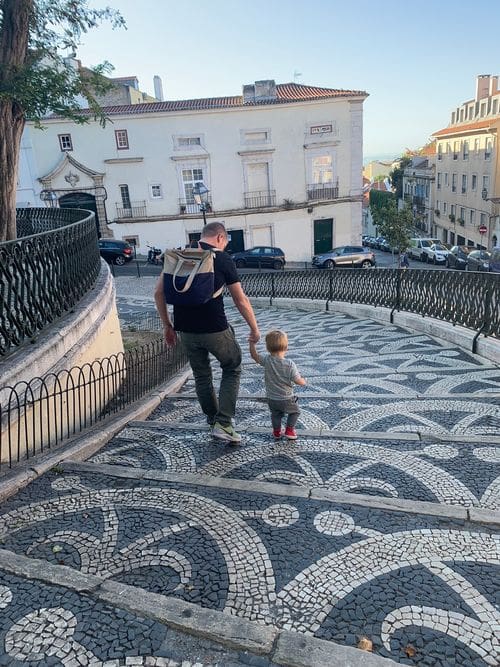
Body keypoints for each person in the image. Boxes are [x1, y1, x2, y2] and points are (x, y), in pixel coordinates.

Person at [154, 222, 260, 444]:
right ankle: (224, 423)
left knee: (202, 375)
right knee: (232, 367)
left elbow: (158, 293)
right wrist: (254, 328)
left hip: (185, 329)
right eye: (227, 241)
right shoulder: (221, 259)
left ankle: (213, 421)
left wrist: (167, 326)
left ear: (202, 236)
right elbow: (241, 300)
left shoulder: (179, 256)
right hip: (215, 327)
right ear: (220, 238)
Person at [249, 329, 306, 441]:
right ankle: (289, 430)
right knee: (295, 412)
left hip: (271, 398)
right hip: (286, 398)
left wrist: (252, 344)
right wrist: (304, 381)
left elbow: (254, 356)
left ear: (268, 347)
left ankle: (276, 432)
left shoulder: (267, 360)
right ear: (286, 347)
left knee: (276, 415)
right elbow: (297, 380)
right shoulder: (289, 364)